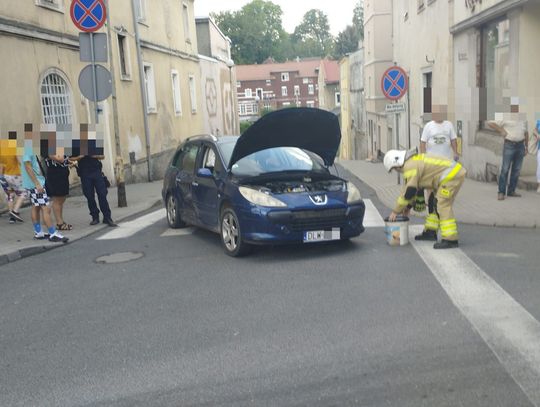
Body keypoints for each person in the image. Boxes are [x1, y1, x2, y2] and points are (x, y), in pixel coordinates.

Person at [384, 149, 467, 249]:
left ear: (397, 163)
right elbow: (409, 189)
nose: (396, 171)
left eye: (394, 168)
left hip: (452, 175)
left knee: (442, 204)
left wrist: (396, 211)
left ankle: (450, 239)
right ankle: (431, 232)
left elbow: (410, 191)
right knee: (432, 202)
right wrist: (408, 207)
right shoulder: (411, 163)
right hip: (446, 176)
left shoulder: (410, 166)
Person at [20, 141, 68, 243]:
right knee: (46, 208)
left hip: (35, 183)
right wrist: (37, 183)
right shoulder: (29, 148)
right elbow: (27, 166)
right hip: (36, 185)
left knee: (36, 206)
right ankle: (53, 233)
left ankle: (39, 232)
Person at [487, 98, 528, 200]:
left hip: (520, 146)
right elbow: (490, 123)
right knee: (505, 169)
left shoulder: (522, 117)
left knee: (517, 170)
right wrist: (501, 130)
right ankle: (501, 192)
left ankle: (511, 191)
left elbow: (526, 132)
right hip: (510, 145)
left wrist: (526, 147)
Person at [73, 154, 117, 227]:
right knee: (89, 196)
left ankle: (107, 217)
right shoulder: (75, 143)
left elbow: (102, 156)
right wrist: (79, 157)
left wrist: (93, 156)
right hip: (84, 172)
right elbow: (70, 158)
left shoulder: (94, 142)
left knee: (102, 194)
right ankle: (95, 217)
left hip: (96, 171)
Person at [0, 134, 26, 224]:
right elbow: (19, 161)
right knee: (23, 193)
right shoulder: (14, 148)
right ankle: (15, 211)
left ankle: (12, 218)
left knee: (10, 195)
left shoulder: (2, 149)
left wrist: (1, 177)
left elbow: (1, 165)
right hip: (15, 175)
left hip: (5, 176)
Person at [44, 153, 72, 230]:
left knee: (62, 198)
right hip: (55, 175)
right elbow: (60, 158)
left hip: (62, 174)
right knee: (57, 199)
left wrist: (69, 161)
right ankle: (59, 223)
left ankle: (61, 221)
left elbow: (64, 158)